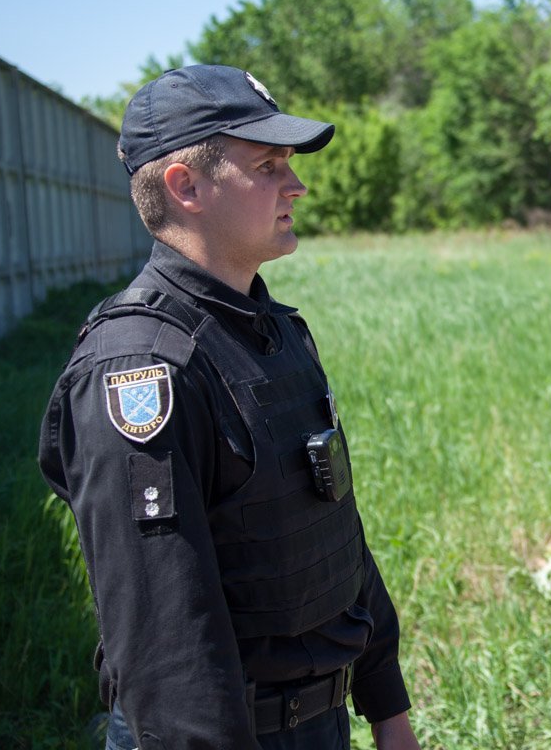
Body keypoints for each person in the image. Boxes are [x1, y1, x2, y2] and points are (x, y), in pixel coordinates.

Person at [39, 65, 420, 750]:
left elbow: (333, 532)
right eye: (268, 165)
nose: (296, 185)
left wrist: (387, 704)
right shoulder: (139, 367)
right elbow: (165, 637)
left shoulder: (269, 330)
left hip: (319, 723)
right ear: (187, 186)